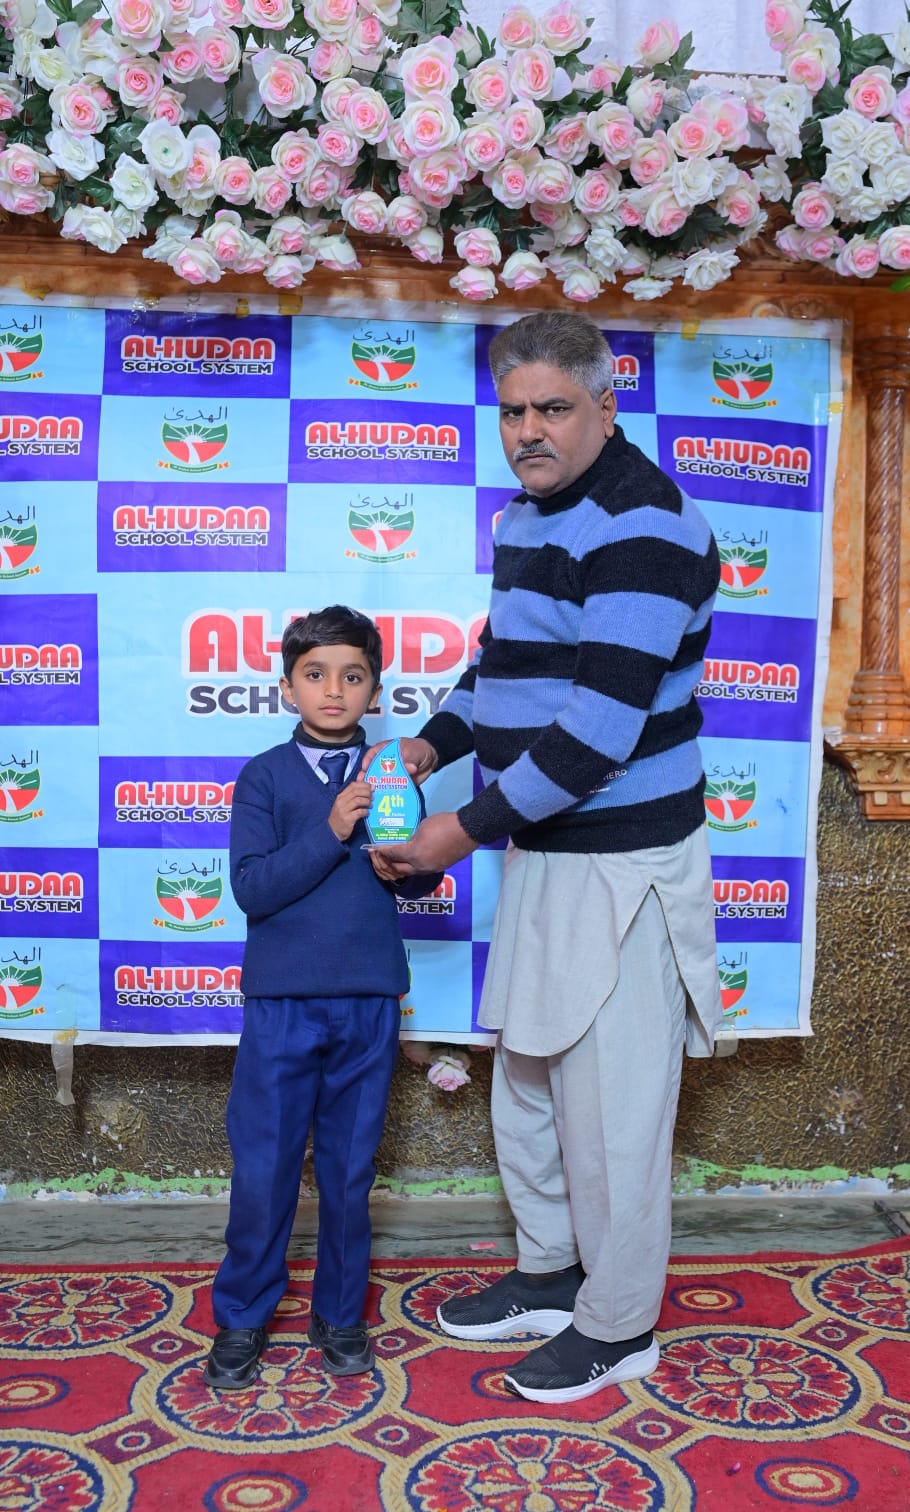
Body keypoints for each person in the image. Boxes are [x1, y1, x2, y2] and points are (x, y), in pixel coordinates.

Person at [371, 310, 724, 1406]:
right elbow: (503, 664)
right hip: (540, 846)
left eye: (553, 409)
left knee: (612, 1111)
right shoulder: (532, 512)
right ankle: (554, 1274)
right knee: (527, 1083)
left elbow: (594, 734)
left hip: (622, 857)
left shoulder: (643, 524)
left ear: (605, 405)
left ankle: (620, 1328)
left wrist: (455, 831)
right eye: (513, 410)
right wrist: (434, 744)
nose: (528, 430)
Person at [204, 605, 441, 1391]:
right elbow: (252, 888)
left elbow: (420, 880)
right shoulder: (264, 776)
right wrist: (331, 830)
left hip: (368, 998)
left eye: (352, 675)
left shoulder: (391, 774)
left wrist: (409, 862)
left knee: (347, 1173)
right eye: (315, 674)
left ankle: (340, 1315)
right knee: (264, 1168)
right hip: (282, 1003)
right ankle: (242, 1317)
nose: (333, 690)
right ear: (287, 688)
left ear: (375, 691)